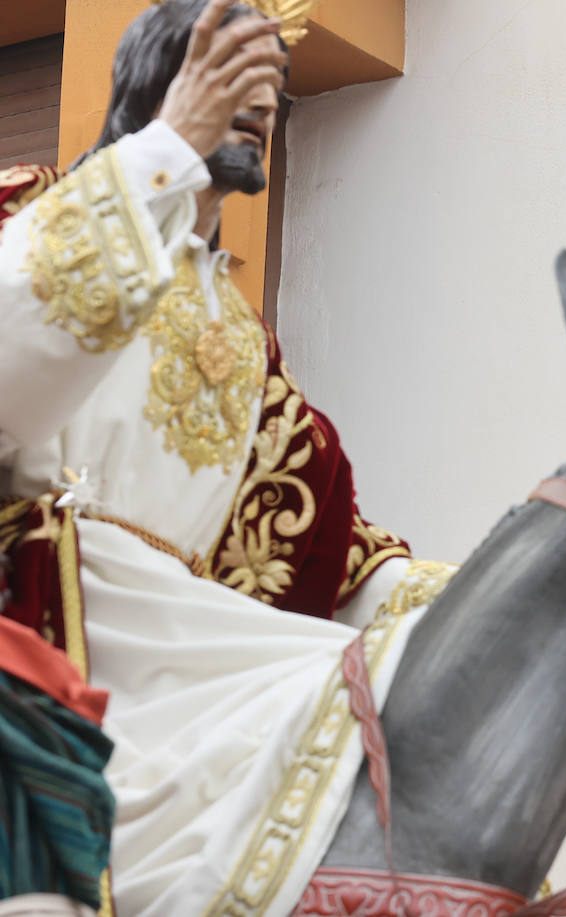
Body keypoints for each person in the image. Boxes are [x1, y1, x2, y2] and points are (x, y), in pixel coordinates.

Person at [0, 1, 454, 912]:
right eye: (224, 80)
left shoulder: (243, 344)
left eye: (270, 91)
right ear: (150, 89)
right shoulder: (31, 209)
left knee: (394, 715)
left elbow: (330, 538)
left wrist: (477, 604)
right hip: (51, 609)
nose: (260, 106)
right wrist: (168, 150)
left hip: (187, 637)